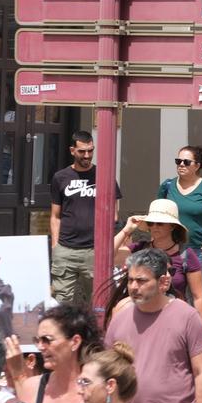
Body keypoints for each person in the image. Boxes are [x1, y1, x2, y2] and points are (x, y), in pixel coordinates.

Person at [104, 248, 202, 403]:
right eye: (130, 280)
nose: (134, 287)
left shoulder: (187, 316)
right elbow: (107, 372)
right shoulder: (120, 318)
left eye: (142, 281)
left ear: (163, 282)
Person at [1, 303, 101, 403]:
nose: (40, 347)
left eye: (47, 340)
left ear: (74, 342)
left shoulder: (95, 391)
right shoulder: (32, 387)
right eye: (37, 340)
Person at [50, 130, 121, 305]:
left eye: (90, 150)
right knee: (61, 302)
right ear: (72, 150)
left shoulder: (105, 176)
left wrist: (106, 245)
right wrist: (55, 246)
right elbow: (55, 216)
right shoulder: (60, 177)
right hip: (66, 249)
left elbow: (114, 215)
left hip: (94, 250)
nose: (87, 155)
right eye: (82, 151)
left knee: (99, 301)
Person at [114, 199, 202, 325]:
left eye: (160, 223)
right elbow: (107, 255)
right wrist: (127, 230)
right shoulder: (139, 249)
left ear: (173, 226)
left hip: (175, 321)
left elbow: (199, 296)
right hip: (139, 320)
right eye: (151, 223)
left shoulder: (186, 255)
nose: (154, 227)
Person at [160, 145, 202, 274]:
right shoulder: (167, 186)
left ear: (197, 166)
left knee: (195, 292)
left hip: (199, 249)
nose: (181, 164)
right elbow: (158, 215)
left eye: (186, 162)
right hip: (170, 247)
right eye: (178, 161)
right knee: (172, 288)